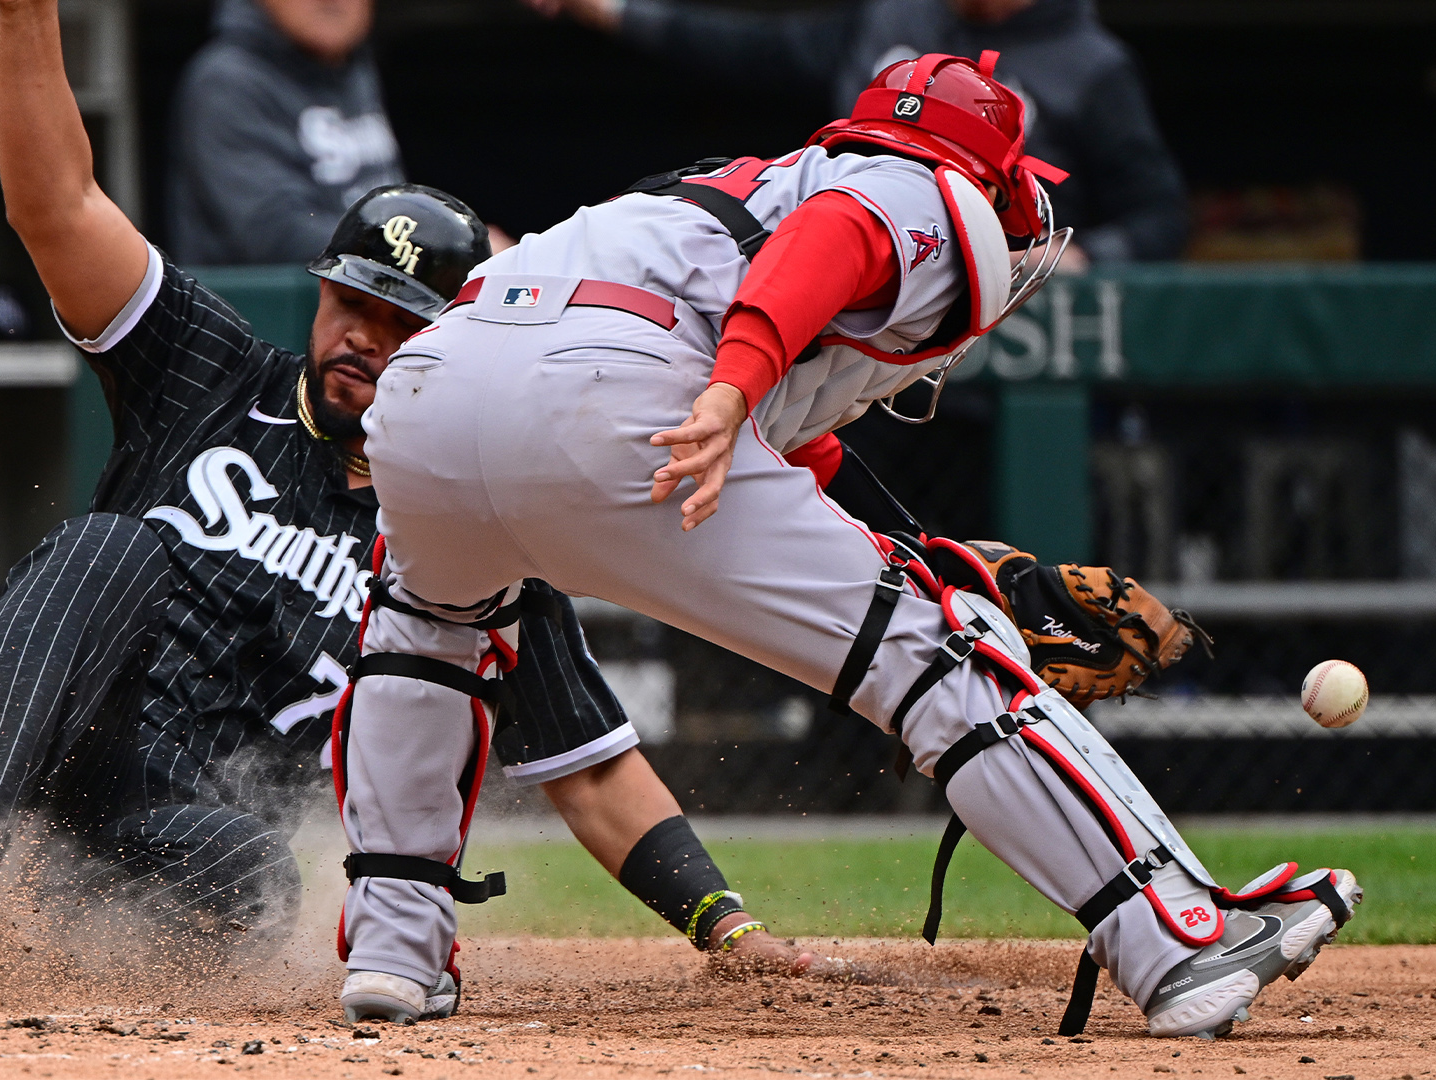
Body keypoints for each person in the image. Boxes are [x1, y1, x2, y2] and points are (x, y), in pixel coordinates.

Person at [0, 0, 814, 1005]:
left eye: (399, 319)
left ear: (459, 341)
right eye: (348, 301)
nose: (361, 334)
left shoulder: (467, 540)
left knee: (257, 878)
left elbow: (593, 773)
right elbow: (57, 207)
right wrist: (23, 13)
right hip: (43, 733)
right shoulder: (211, 372)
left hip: (159, 820)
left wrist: (728, 925)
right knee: (112, 547)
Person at [327, 51, 1360, 1038]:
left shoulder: (718, 195)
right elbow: (835, 240)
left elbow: (804, 488)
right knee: (937, 657)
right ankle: (1180, 940)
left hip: (434, 393)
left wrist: (937, 557)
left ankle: (393, 955)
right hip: (622, 392)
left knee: (425, 636)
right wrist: (736, 382)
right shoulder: (916, 183)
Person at [526, 0, 1186, 268]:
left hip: (1002, 332)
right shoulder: (893, 15)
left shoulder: (1093, 65)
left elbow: (1160, 213)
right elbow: (756, 51)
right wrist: (613, 11)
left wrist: (1081, 258)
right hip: (854, 301)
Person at [166, 0, 404, 264]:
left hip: (361, 289)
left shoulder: (355, 70)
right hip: (261, 303)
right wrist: (405, 251)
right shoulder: (227, 81)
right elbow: (275, 234)